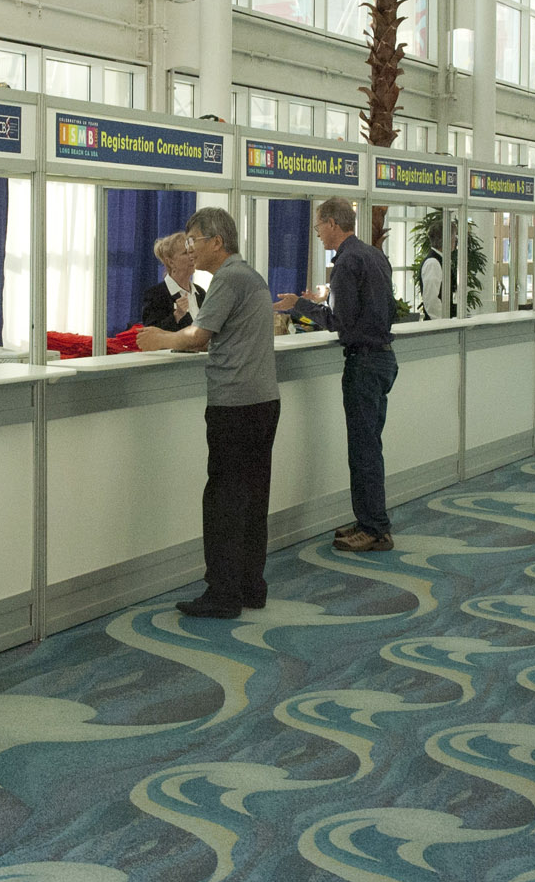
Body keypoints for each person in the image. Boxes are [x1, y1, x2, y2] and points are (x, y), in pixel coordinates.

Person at [136, 207, 279, 619]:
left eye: (194, 241)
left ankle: (222, 593)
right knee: (253, 498)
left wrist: (162, 337)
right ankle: (251, 585)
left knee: (223, 501)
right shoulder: (249, 276)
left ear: (217, 242)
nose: (190, 249)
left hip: (235, 405)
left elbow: (199, 337)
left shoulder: (228, 279)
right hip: (262, 401)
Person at [276, 197, 399, 552]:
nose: (317, 235)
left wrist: (299, 305)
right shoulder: (375, 254)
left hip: (363, 363)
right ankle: (369, 520)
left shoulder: (345, 263)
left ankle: (374, 528)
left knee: (362, 450)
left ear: (332, 223)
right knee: (368, 445)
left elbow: (340, 322)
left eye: (318, 228)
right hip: (384, 359)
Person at [140, 232, 205, 331]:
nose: (192, 257)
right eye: (185, 253)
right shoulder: (155, 295)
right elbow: (151, 335)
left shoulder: (201, 293)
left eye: (192, 252)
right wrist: (176, 316)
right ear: (170, 262)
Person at [418, 230, 445, 321]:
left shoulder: (440, 260)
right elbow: (431, 299)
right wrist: (442, 321)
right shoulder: (433, 263)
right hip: (438, 324)